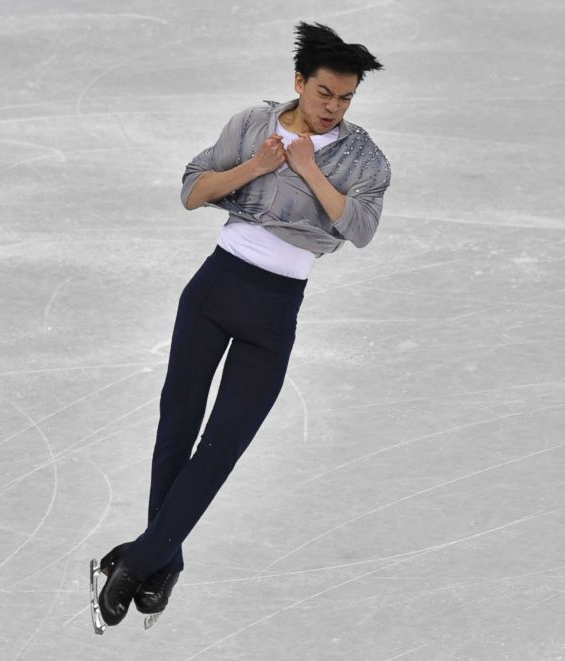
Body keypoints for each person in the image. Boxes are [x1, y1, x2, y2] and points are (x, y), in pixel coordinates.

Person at [89, 21, 391, 633]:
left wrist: (309, 171)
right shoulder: (252, 126)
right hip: (214, 288)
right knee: (176, 426)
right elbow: (193, 191)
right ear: (300, 83)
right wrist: (257, 165)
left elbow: (359, 229)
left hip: (277, 310)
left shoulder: (364, 157)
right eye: (325, 93)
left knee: (224, 445)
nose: (334, 107)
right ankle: (164, 564)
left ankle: (138, 559)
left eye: (346, 97)